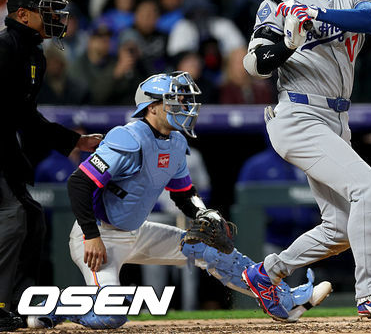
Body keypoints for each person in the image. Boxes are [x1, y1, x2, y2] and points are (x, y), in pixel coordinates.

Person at [27, 72, 331, 329]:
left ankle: (284, 301)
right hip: (98, 236)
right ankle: (53, 309)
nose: (184, 106)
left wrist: (203, 213)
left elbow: (183, 193)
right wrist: (91, 235)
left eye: (184, 100)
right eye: (175, 101)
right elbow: (79, 183)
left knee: (212, 251)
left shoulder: (175, 142)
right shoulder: (127, 137)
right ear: (152, 107)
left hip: (137, 231)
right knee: (110, 316)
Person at [241, 0, 371, 320]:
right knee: (367, 187)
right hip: (298, 115)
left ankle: (267, 273)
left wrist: (316, 14)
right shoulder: (280, 2)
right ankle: (370, 292)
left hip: (337, 118)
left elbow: (370, 19)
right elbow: (255, 66)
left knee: (339, 229)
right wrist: (288, 43)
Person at [0, 0, 103, 331]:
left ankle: (18, 300)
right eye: (48, 10)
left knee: (31, 216)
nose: (57, 17)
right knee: (14, 214)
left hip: (5, 147)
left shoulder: (34, 55)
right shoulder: (4, 47)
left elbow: (26, 116)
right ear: (23, 15)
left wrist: (74, 141)